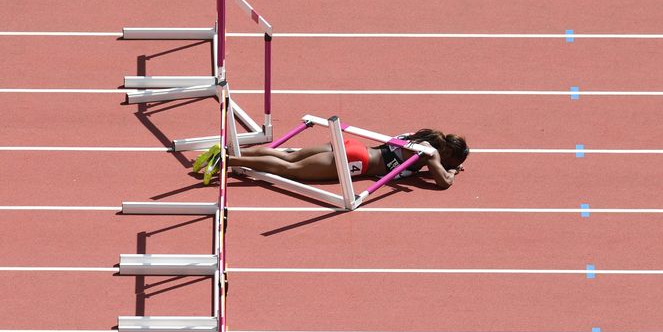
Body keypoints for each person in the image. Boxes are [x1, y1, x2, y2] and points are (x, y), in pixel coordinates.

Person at [194, 129, 469, 189]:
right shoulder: (430, 153)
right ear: (446, 153)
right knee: (290, 169)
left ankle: (227, 153)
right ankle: (229, 161)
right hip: (359, 162)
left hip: (355, 146)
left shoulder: (420, 138)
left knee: (289, 153)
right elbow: (443, 182)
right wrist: (452, 172)